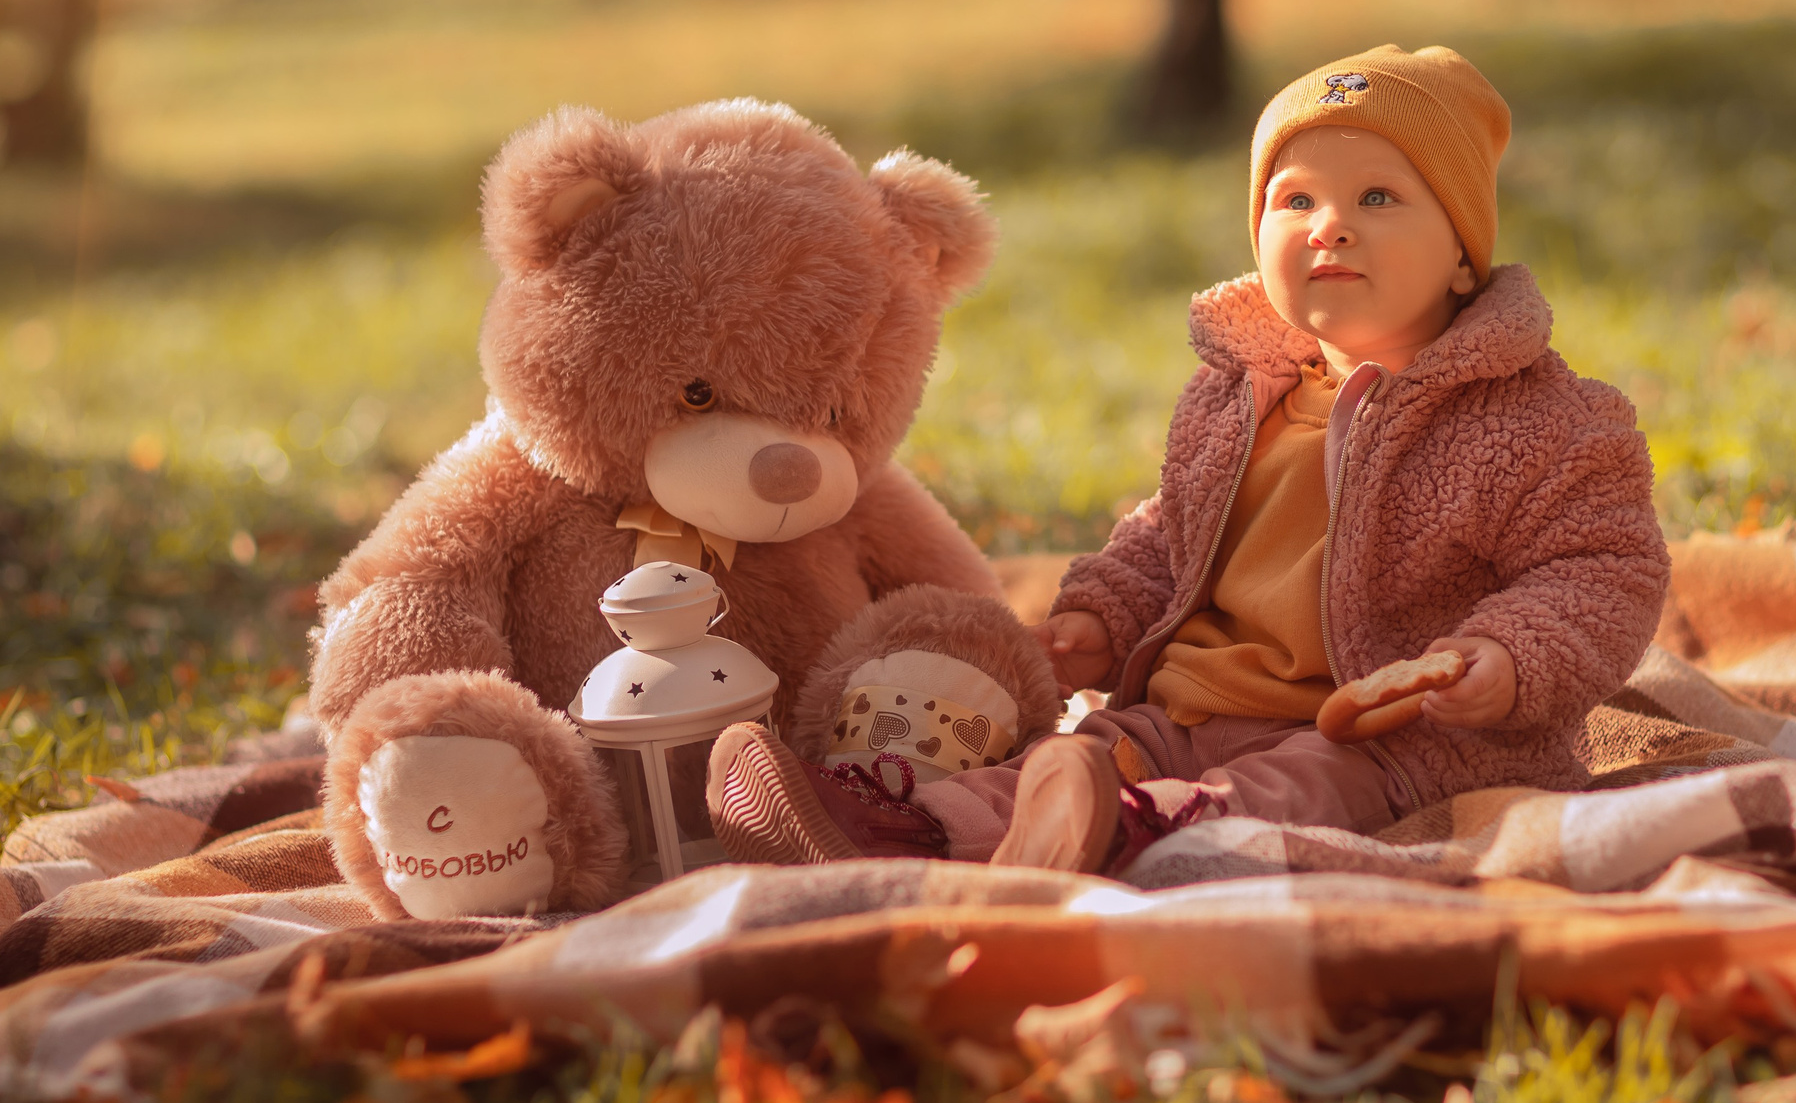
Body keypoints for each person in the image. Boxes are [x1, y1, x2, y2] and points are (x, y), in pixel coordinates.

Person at [705, 43, 1670, 876]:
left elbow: (1600, 568)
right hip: (1188, 707)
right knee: (1083, 753)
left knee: (1279, 789)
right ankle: (895, 825)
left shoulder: (1541, 421)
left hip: (1382, 739)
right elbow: (1170, 531)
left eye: (1378, 197)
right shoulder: (1241, 390)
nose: (1330, 225)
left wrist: (1506, 656)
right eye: (1296, 199)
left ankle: (1133, 836)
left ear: (1462, 254)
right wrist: (1101, 612)